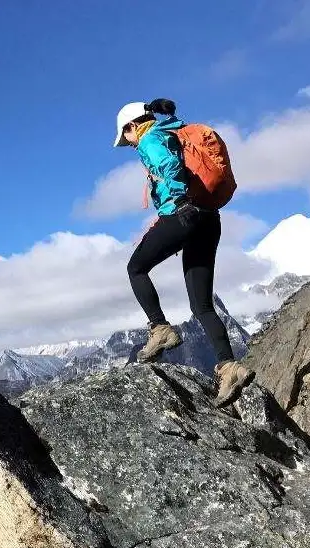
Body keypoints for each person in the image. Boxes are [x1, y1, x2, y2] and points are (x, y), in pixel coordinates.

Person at [113, 98, 254, 407]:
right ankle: (229, 367)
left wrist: (176, 202)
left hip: (185, 213)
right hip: (209, 218)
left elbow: (169, 165)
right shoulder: (176, 131)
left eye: (127, 137)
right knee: (201, 305)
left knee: (135, 268)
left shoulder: (151, 137)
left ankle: (160, 329)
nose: (130, 144)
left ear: (133, 126)